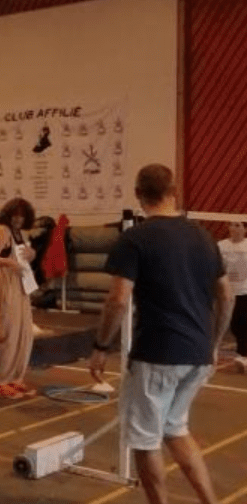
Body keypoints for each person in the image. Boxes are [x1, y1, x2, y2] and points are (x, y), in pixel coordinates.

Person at [89, 164, 232, 504]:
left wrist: (100, 346)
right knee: (175, 429)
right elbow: (226, 295)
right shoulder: (204, 237)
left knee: (144, 441)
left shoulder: (135, 239)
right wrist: (214, 344)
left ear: (138, 195)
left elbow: (118, 300)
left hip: (158, 354)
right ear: (174, 192)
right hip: (197, 355)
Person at [0, 197, 37, 399]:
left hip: (21, 285)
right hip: (4, 286)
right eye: (15, 216)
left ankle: (16, 378)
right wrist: (9, 263)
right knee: (9, 333)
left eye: (22, 216)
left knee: (24, 334)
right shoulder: (2, 231)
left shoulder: (21, 234)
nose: (18, 220)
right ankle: (0, 381)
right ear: (9, 215)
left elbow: (24, 257)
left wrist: (31, 254)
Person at [217, 221, 247, 372]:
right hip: (225, 291)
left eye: (237, 225)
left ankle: (243, 356)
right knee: (222, 323)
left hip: (244, 291)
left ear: (244, 229)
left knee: (240, 323)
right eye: (231, 225)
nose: (233, 228)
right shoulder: (221, 246)